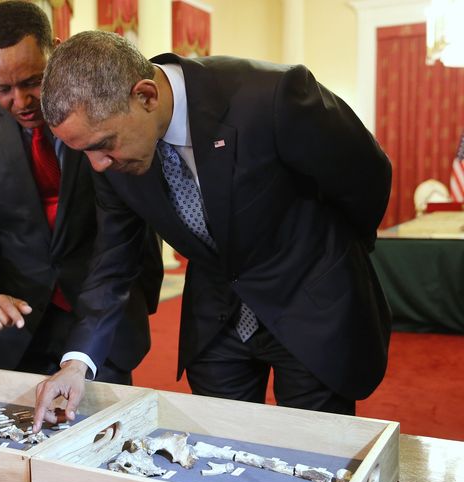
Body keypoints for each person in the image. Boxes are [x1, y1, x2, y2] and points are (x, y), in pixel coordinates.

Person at [33, 30, 392, 431]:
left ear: (146, 97)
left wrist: (337, 259)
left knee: (315, 455)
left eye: (104, 144)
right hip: (216, 319)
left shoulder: (272, 96)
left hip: (308, 306)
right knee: (216, 454)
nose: (97, 164)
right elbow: (113, 260)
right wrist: (76, 363)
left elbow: (366, 177)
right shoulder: (109, 155)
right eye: (86, 152)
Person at [0, 3, 162, 383]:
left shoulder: (99, 108)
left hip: (104, 312)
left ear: (55, 49)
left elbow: (123, 224)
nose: (21, 102)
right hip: (19, 326)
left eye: (32, 82)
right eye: (2, 88)